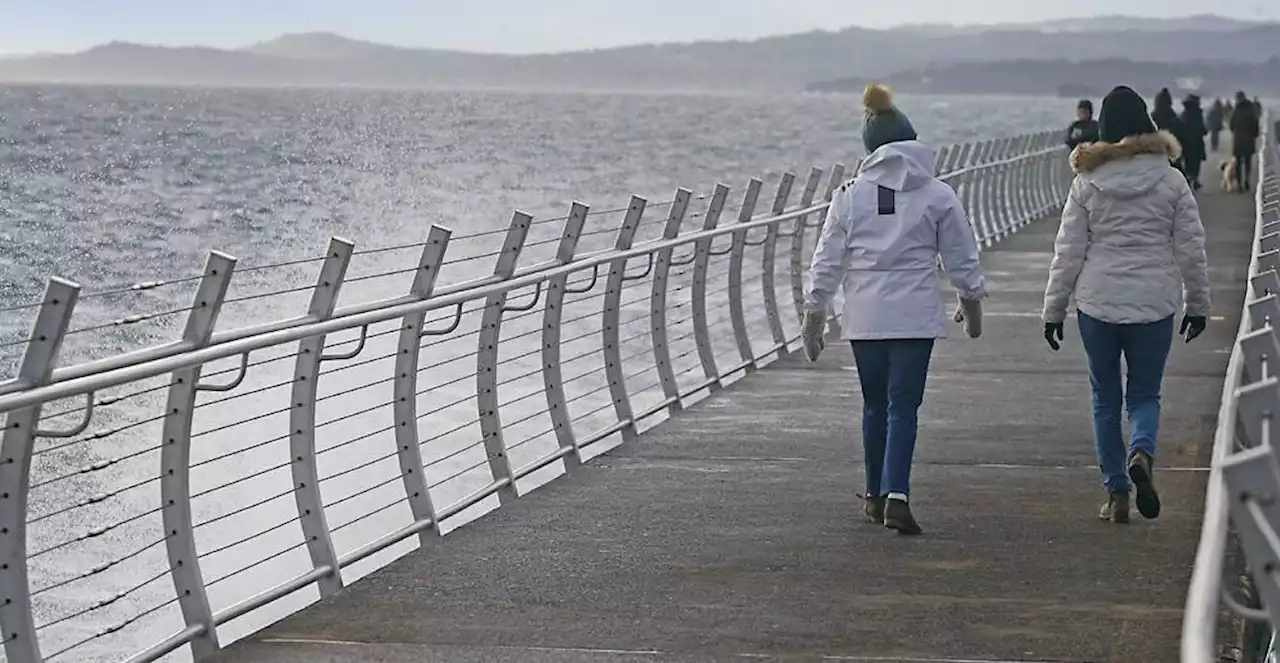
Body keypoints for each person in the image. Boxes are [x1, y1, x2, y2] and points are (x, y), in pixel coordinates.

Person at [802, 83, 987, 536]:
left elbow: (828, 258)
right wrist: (971, 301)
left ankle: (873, 495)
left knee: (873, 406)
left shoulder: (848, 194)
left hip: (865, 315)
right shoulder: (938, 193)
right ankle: (898, 494)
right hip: (914, 314)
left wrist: (815, 311)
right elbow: (960, 256)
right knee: (904, 406)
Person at [1041, 85, 1210, 524]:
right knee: (1145, 394)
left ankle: (1116, 493)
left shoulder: (1086, 182)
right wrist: (1198, 303)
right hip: (1154, 303)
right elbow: (1191, 247)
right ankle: (1142, 450)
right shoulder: (1172, 179)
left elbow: (1069, 252)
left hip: (1097, 304)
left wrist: (1053, 309)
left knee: (1103, 398)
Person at [1229, 91, 1261, 192]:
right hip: (1249, 139)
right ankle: (1246, 179)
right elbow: (1255, 124)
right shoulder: (1250, 110)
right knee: (1248, 162)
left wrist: (1236, 132)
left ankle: (1239, 183)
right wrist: (1255, 134)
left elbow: (1231, 125)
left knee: (1238, 163)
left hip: (1238, 140)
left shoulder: (1236, 111)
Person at [1151, 88, 1186, 174]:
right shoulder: (1175, 119)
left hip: (1154, 159)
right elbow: (1183, 139)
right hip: (1173, 157)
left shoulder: (1150, 118)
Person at [1179, 94, 1208, 190]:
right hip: (1197, 143)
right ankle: (1195, 180)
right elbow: (1202, 129)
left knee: (1188, 163)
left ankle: (1188, 180)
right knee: (1196, 163)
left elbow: (1180, 127)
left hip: (1186, 143)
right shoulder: (1197, 115)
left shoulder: (1183, 114)